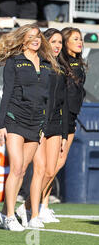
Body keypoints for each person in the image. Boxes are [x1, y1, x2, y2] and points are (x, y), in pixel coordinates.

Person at [0, 24, 59, 231]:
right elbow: (6, 93)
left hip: (36, 122)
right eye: (31, 36)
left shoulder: (46, 63)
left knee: (23, 169)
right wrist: (1, 124)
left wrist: (45, 124)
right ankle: (9, 217)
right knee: (16, 168)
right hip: (15, 118)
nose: (35, 40)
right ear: (23, 39)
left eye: (38, 37)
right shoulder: (14, 61)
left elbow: (49, 98)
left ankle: (8, 212)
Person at [17, 28, 67, 227]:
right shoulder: (40, 64)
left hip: (55, 122)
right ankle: (34, 215)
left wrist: (64, 132)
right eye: (53, 41)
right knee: (39, 169)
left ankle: (27, 206)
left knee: (50, 171)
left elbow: (63, 102)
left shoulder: (60, 67)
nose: (57, 46)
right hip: (38, 121)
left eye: (60, 42)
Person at [36, 27, 86, 222]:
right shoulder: (60, 64)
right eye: (75, 39)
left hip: (71, 117)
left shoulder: (79, 63)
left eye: (81, 39)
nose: (80, 42)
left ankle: (43, 204)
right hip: (57, 117)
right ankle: (34, 203)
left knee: (59, 163)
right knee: (51, 166)